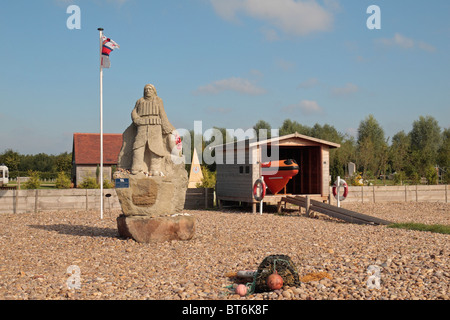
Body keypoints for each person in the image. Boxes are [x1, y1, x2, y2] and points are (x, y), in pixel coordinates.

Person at [131, 84, 176, 175]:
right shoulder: (140, 101)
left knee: (156, 148)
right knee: (138, 146)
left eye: (150, 89)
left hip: (155, 126)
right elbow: (134, 111)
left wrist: (167, 127)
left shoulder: (158, 100)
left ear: (154, 91)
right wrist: (136, 119)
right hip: (142, 126)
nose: (148, 91)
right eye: (146, 89)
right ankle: (137, 166)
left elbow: (162, 113)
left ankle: (155, 168)